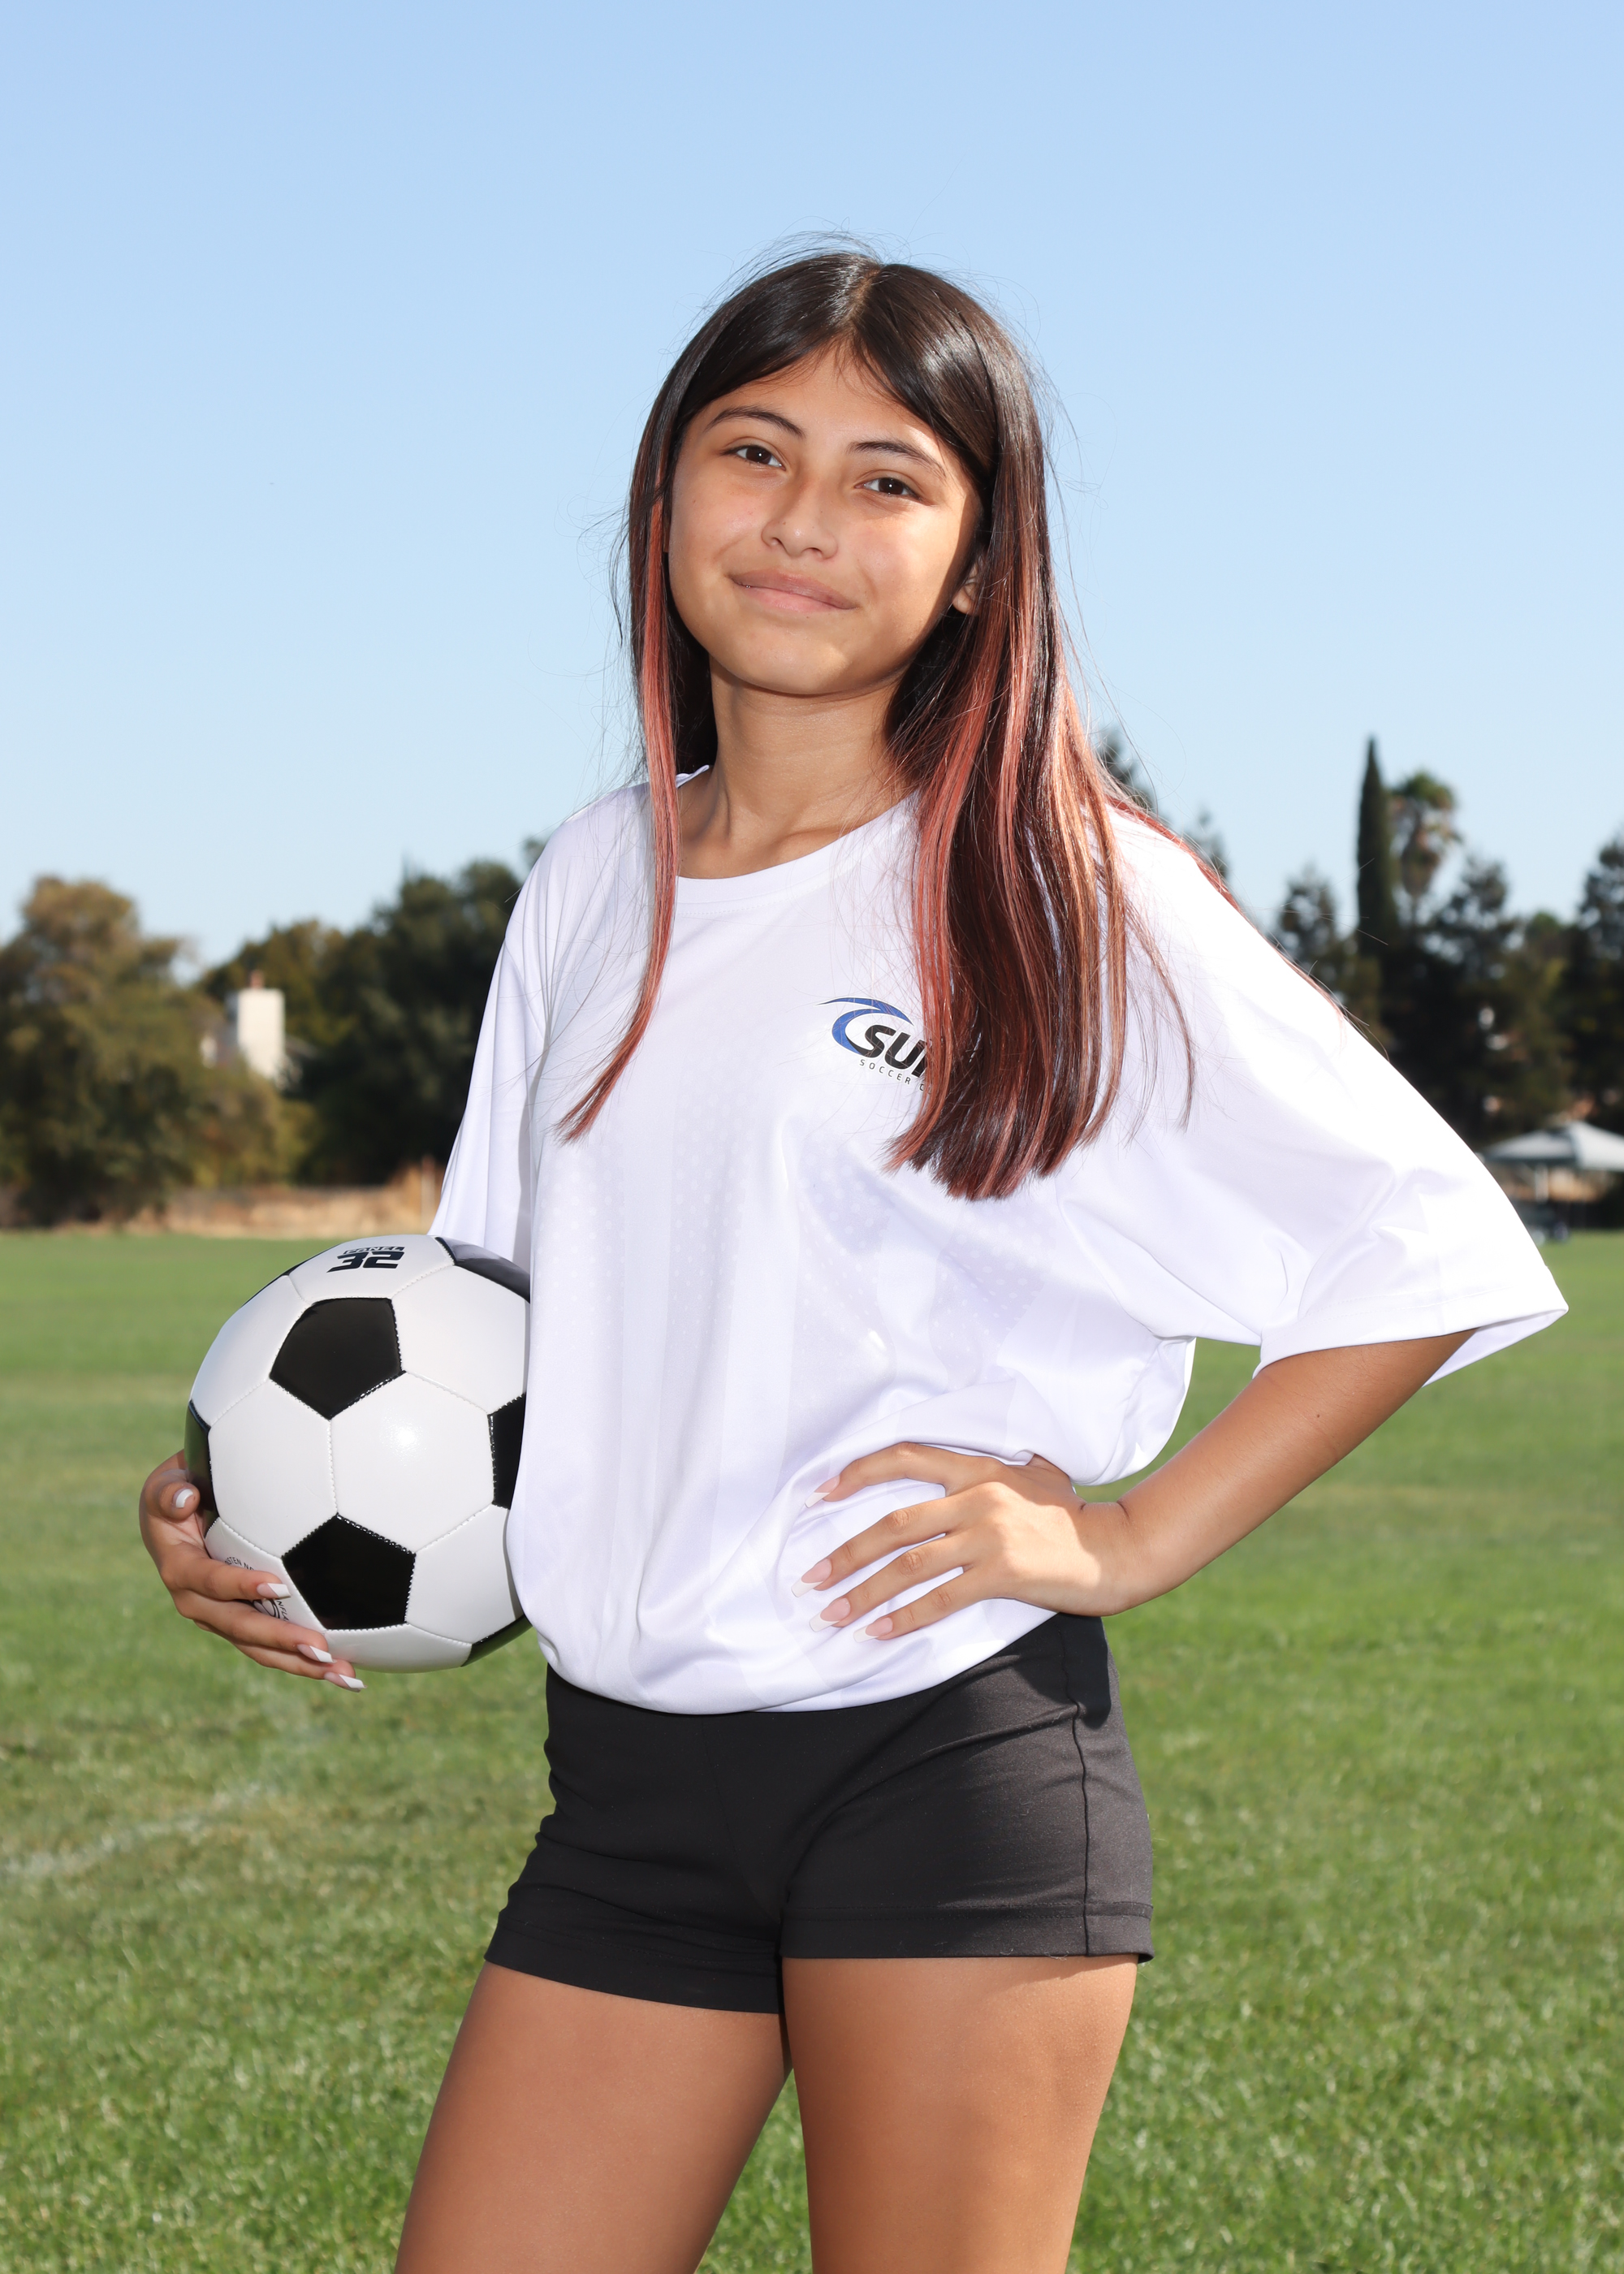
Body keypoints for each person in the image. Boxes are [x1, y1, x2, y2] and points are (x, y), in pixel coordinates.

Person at [138, 251, 1566, 2274]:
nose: (805, 518)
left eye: (889, 478)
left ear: (979, 563)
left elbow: (1418, 1235)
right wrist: (238, 1491)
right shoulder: (594, 873)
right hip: (625, 1791)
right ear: (665, 497)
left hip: (943, 1756)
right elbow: (480, 1321)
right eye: (753, 451)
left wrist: (1131, 1534)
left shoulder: (1054, 881)